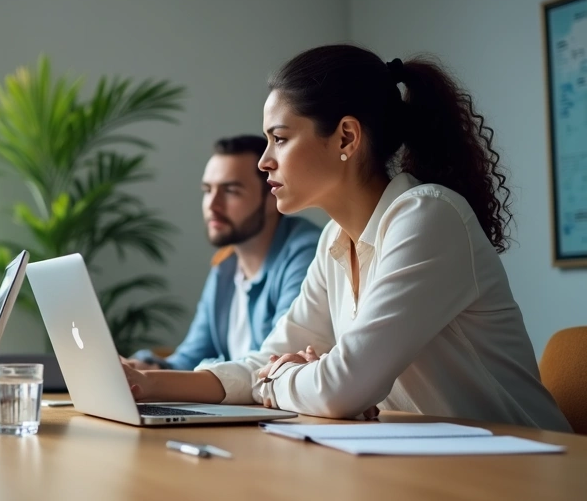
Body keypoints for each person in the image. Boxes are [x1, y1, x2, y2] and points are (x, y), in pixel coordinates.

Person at [122, 44, 570, 431]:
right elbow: (272, 357)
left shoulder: (428, 216)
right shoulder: (336, 240)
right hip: (433, 472)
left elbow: (342, 388)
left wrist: (277, 381)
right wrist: (148, 383)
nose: (264, 162)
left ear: (346, 137)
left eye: (279, 139)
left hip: (525, 471)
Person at [126, 135, 320, 370]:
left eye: (231, 191)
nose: (212, 205)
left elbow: (274, 363)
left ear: (272, 196)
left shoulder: (306, 254)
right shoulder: (226, 267)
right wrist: (145, 367)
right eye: (208, 190)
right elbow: (188, 359)